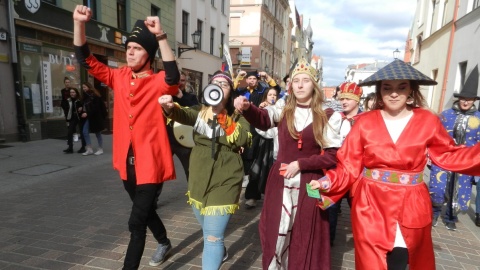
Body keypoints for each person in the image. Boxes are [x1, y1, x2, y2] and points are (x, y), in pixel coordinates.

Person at [309, 59, 480, 270]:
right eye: (387, 88)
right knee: (371, 262)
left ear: (411, 90)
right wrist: (328, 181)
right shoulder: (365, 122)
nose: (394, 93)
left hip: (412, 203)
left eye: (402, 87)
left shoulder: (427, 120)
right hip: (371, 203)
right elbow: (348, 164)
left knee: (402, 259)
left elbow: (450, 155)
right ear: (380, 91)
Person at [73, 5, 180, 269]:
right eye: (129, 48)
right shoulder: (118, 77)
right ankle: (164, 241)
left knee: (136, 222)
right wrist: (78, 24)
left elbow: (173, 75)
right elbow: (85, 58)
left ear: (149, 55)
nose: (130, 52)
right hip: (126, 163)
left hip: (150, 164)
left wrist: (161, 37)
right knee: (144, 212)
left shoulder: (158, 82)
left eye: (138, 48)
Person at [234, 58, 343, 269]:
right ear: (290, 85)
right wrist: (248, 108)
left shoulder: (327, 115)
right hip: (280, 180)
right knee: (276, 229)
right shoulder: (283, 109)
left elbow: (331, 156)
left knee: (304, 232)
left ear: (314, 85)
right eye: (296, 81)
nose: (300, 85)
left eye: (306, 80)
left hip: (308, 182)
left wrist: (301, 164)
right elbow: (263, 119)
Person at [159, 71, 252, 270]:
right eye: (215, 83)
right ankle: (220, 250)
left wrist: (221, 115)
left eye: (224, 85)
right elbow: (181, 113)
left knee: (212, 237)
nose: (219, 86)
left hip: (226, 177)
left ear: (230, 93)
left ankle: (216, 247)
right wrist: (168, 107)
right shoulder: (199, 111)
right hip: (199, 176)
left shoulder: (238, 116)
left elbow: (244, 139)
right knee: (208, 230)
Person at [429, 65, 480, 230]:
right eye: (463, 98)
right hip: (444, 158)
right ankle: (434, 213)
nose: (466, 101)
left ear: (474, 101)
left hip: (466, 161)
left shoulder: (479, 118)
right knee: (438, 187)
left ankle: (451, 217)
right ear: (459, 98)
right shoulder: (446, 115)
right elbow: (435, 135)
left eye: (469, 99)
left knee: (460, 188)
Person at [235, 70, 281, 208]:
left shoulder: (278, 104)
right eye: (249, 78)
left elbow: (276, 88)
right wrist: (237, 78)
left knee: (271, 170)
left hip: (274, 143)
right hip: (258, 139)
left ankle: (271, 197)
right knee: (256, 167)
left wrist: (267, 78)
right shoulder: (243, 91)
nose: (272, 96)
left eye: (274, 95)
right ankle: (252, 196)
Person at [328, 81, 363, 246]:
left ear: (357, 99)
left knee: (358, 207)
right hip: (336, 169)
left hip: (357, 171)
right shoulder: (336, 118)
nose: (344, 102)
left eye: (348, 98)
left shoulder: (365, 120)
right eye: (342, 98)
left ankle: (364, 240)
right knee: (331, 206)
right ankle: (328, 240)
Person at [165, 72, 199, 179]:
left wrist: (181, 97)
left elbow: (194, 112)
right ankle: (153, 195)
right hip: (166, 140)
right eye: (177, 81)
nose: (180, 83)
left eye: (183, 80)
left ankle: (193, 194)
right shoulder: (165, 97)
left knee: (190, 171)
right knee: (159, 170)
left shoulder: (191, 97)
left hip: (183, 141)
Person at [251, 87, 279, 194]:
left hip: (275, 140)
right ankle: (253, 194)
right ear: (266, 96)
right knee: (260, 165)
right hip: (263, 141)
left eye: (274, 95)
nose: (272, 97)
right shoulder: (262, 107)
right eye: (270, 94)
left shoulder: (279, 108)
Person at [80, 82, 107, 156]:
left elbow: (96, 108)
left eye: (85, 87)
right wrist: (81, 109)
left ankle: (100, 148)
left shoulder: (95, 96)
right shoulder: (85, 96)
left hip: (96, 117)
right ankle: (89, 149)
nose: (84, 89)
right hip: (89, 117)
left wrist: (87, 113)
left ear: (89, 87)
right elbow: (85, 106)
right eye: (83, 87)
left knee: (97, 133)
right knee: (85, 132)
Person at [63, 88, 86, 154]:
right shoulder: (69, 100)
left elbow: (84, 107)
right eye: (71, 92)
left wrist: (81, 109)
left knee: (82, 132)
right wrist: (67, 119)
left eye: (73, 92)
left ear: (76, 93)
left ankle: (83, 147)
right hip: (72, 117)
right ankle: (70, 147)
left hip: (80, 117)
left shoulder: (80, 100)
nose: (72, 94)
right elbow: (67, 110)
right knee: (70, 131)